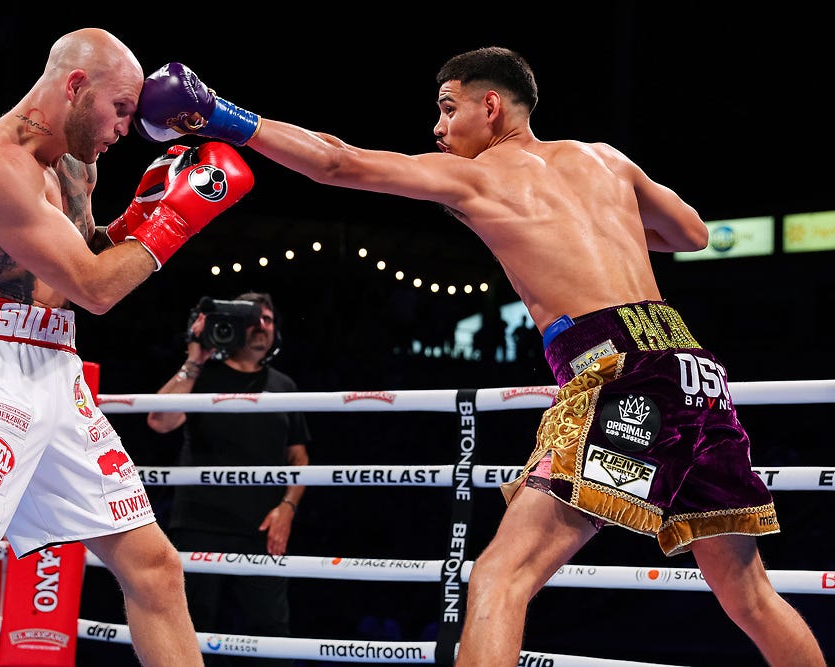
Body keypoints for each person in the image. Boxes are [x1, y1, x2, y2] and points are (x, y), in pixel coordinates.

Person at [126, 50, 825, 666]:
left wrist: (216, 114)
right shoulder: (607, 159)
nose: (437, 127)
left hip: (619, 378)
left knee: (498, 578)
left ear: (491, 106)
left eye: (447, 107)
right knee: (750, 593)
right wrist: (599, 223)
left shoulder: (482, 178)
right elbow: (693, 232)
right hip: (692, 370)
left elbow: (338, 161)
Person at [0, 28, 255, 667]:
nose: (127, 128)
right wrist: (172, 220)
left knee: (154, 569)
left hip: (55, 367)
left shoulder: (80, 158)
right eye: (120, 109)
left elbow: (71, 258)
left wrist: (134, 221)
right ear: (76, 86)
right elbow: (93, 287)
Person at [148, 291, 310, 666]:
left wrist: (287, 508)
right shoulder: (203, 377)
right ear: (234, 326)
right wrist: (194, 359)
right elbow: (159, 421)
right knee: (191, 627)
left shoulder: (285, 386)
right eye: (252, 319)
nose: (261, 326)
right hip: (200, 522)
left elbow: (300, 458)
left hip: (262, 528)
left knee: (272, 633)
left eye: (268, 319)